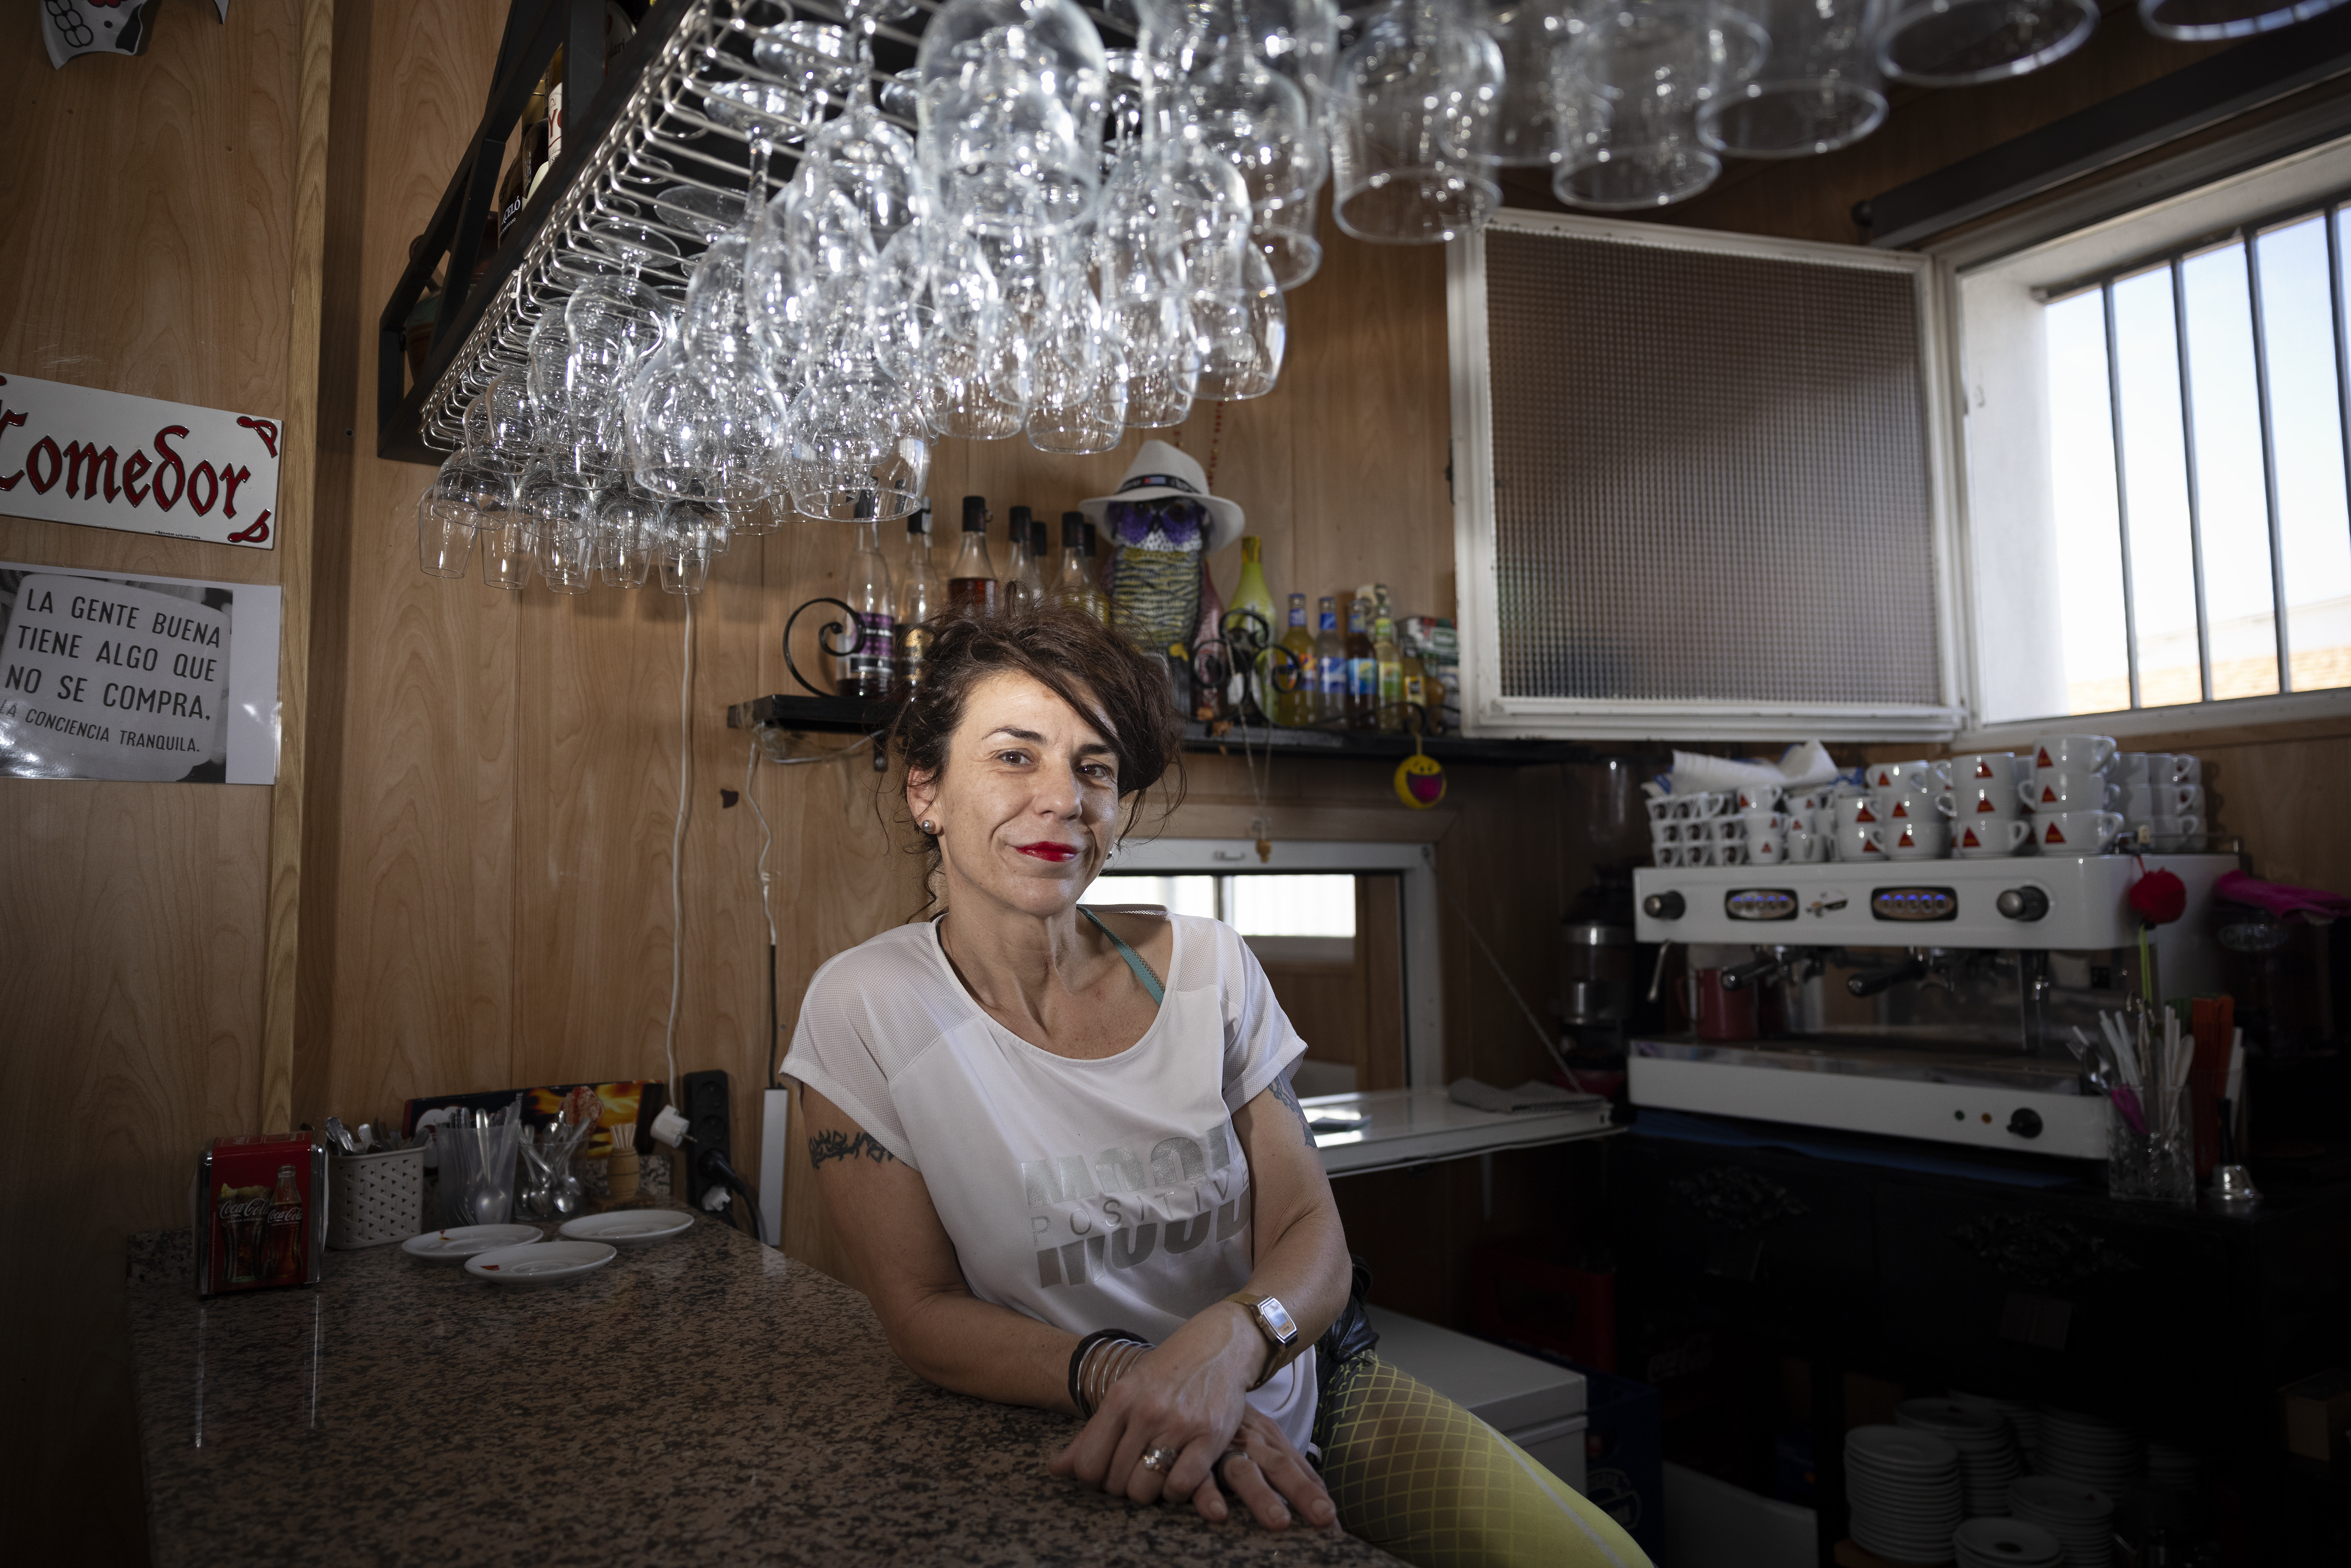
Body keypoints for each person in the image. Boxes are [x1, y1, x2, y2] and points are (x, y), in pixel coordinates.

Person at [782, 605, 1650, 1568]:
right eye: (1016, 757)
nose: (1063, 799)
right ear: (926, 791)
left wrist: (1233, 1349)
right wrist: (1146, 1380)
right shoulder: (866, 1007)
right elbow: (921, 1313)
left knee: (1597, 1561)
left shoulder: (1209, 967)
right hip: (1072, 1420)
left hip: (1306, 1388)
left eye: (1096, 768)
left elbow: (1309, 1236)